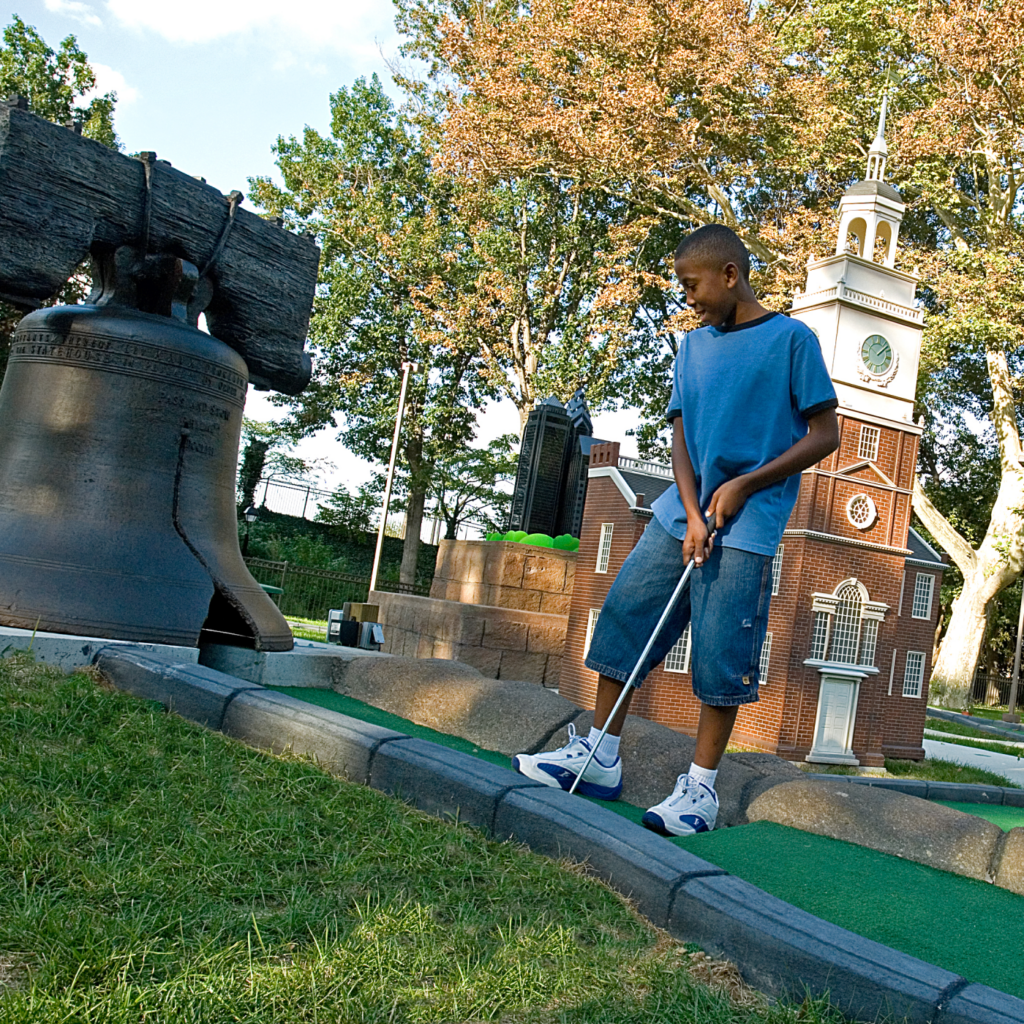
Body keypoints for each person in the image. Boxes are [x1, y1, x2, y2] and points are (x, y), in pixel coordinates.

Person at [513, 224, 840, 836]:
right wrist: (690, 513)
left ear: (730, 275)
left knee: (721, 655)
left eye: (692, 285)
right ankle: (599, 755)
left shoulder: (792, 340)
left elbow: (825, 436)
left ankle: (700, 790)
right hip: (677, 515)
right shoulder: (691, 349)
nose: (686, 297)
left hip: (749, 527)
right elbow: (682, 439)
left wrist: (744, 484)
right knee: (624, 618)